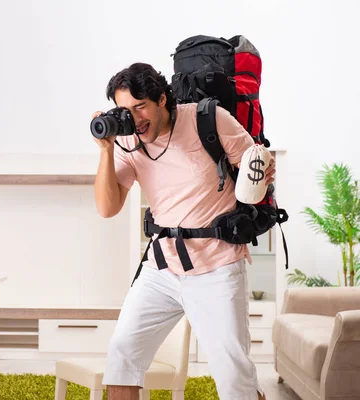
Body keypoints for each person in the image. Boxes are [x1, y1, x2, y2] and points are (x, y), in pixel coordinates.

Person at [92, 62, 274, 400]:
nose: (134, 118)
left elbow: (254, 166)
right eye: (125, 110)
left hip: (217, 265)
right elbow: (107, 207)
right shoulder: (128, 140)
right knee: (122, 356)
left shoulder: (208, 119)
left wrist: (261, 169)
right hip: (162, 267)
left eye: (140, 106)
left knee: (235, 380)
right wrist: (106, 150)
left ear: (162, 98)